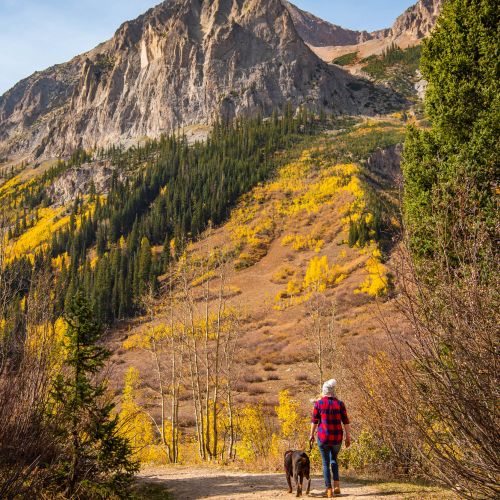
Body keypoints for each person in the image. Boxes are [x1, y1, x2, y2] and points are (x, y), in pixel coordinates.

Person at [309, 379, 351, 498]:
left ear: (324, 391)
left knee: (325, 463)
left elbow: (314, 421)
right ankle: (337, 485)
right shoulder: (340, 404)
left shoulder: (318, 404)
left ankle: (329, 490)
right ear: (333, 391)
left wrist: (311, 435)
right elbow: (346, 422)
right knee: (334, 460)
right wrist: (348, 437)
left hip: (323, 438)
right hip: (337, 437)